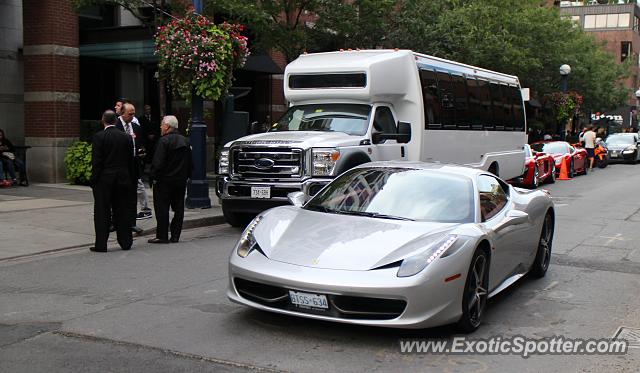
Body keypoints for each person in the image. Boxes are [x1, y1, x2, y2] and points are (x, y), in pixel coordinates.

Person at [90, 110, 134, 252]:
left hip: (105, 179)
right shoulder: (126, 137)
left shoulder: (99, 137)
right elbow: (130, 161)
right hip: (122, 177)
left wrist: (94, 179)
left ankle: (101, 244)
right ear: (116, 121)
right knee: (122, 210)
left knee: (102, 211)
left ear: (103, 121)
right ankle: (125, 241)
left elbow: (97, 162)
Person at [148, 115, 192, 244]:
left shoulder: (163, 141)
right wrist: (187, 176)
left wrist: (153, 176)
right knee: (179, 208)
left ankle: (162, 235)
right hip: (180, 180)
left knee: (162, 208)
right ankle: (175, 235)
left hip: (164, 181)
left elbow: (158, 162)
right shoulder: (185, 141)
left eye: (162, 124)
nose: (160, 127)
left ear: (167, 126)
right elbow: (190, 162)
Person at [116, 102, 151, 232]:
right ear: (122, 113)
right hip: (120, 166)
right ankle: (117, 222)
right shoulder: (115, 126)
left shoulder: (136, 127)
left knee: (132, 197)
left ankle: (132, 223)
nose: (132, 116)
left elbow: (141, 143)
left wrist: (142, 151)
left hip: (133, 166)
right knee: (119, 196)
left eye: (134, 114)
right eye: (130, 114)